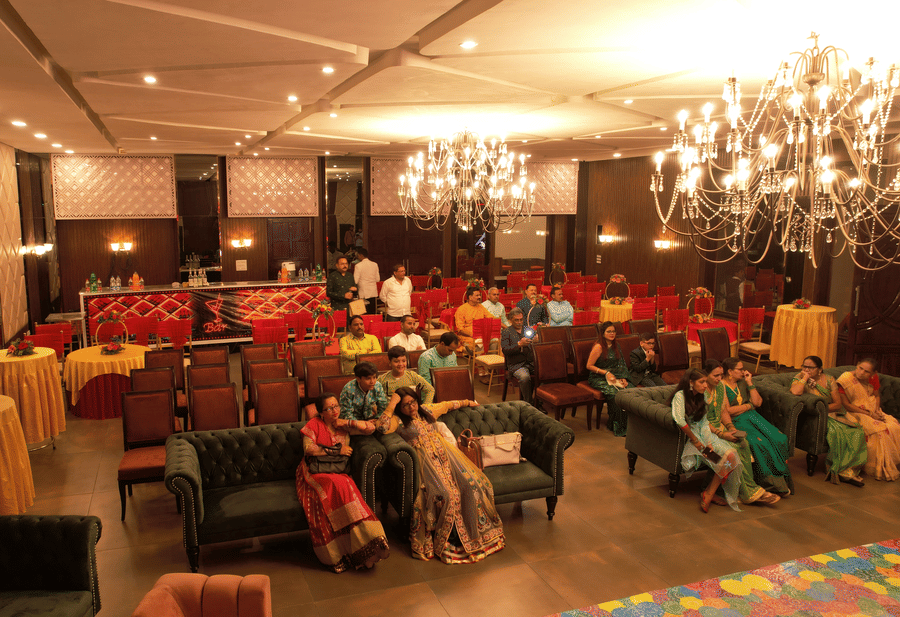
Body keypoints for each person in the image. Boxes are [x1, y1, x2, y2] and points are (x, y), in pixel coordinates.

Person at [386, 386, 505, 563]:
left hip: (448, 458)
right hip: (426, 466)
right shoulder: (397, 421)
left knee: (472, 485)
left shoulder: (426, 410)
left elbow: (448, 405)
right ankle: (452, 540)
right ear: (399, 408)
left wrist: (468, 402)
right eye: (405, 405)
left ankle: (474, 535)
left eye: (413, 402)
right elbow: (382, 427)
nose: (411, 407)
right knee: (447, 495)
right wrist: (392, 404)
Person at [295, 392, 389, 572]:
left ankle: (366, 545)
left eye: (336, 406)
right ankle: (338, 553)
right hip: (314, 471)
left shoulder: (343, 425)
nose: (334, 410)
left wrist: (346, 422)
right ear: (321, 412)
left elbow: (370, 428)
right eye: (329, 408)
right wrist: (337, 451)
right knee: (338, 484)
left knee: (347, 485)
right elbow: (309, 450)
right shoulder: (313, 424)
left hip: (337, 471)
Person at [704, 359, 780, 505]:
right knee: (733, 452)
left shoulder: (719, 388)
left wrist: (731, 428)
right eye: (716, 375)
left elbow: (723, 411)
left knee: (743, 443)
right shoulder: (699, 391)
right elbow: (699, 422)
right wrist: (721, 434)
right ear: (705, 375)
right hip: (705, 435)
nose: (720, 378)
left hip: (720, 429)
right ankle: (747, 492)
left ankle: (743, 490)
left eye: (721, 375)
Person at [669, 369, 742, 512]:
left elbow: (704, 423)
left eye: (705, 382)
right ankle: (709, 494)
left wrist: (709, 442)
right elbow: (680, 420)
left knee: (731, 456)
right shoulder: (680, 396)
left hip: (704, 436)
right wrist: (696, 441)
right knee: (720, 460)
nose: (705, 385)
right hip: (692, 439)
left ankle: (709, 491)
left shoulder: (702, 396)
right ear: (691, 382)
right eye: (701, 382)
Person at [790, 355, 867, 486]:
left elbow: (837, 404)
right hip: (815, 417)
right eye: (804, 367)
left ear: (820, 369)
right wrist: (805, 378)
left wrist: (823, 409)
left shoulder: (829, 379)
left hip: (833, 413)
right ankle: (837, 469)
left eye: (811, 368)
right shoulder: (799, 377)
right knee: (837, 432)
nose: (806, 369)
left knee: (857, 432)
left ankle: (847, 470)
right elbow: (796, 392)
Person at [721, 357, 792, 495]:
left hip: (753, 417)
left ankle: (783, 478)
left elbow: (758, 402)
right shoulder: (721, 386)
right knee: (760, 443)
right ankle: (769, 482)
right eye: (740, 369)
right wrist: (749, 405)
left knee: (780, 438)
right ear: (730, 371)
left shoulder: (743, 382)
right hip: (737, 421)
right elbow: (728, 411)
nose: (744, 371)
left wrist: (750, 382)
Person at [836, 358, 900, 481]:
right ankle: (877, 467)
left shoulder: (873, 378)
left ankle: (890, 463)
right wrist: (870, 414)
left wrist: (876, 411)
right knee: (879, 431)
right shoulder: (845, 379)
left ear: (873, 373)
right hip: (854, 412)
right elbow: (846, 405)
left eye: (866, 371)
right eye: (860, 368)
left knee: (894, 426)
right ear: (857, 365)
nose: (861, 373)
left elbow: (876, 396)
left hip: (872, 410)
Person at [586, 321, 634, 436]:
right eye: (609, 331)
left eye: (613, 331)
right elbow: (589, 366)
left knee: (630, 390)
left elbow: (621, 364)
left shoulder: (616, 345)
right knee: (615, 394)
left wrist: (622, 377)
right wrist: (606, 373)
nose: (612, 334)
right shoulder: (598, 347)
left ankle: (631, 426)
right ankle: (617, 425)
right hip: (598, 377)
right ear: (603, 333)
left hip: (614, 376)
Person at [378, 346, 435, 431]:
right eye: (396, 361)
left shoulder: (412, 376)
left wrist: (425, 407)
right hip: (395, 417)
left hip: (411, 414)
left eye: (403, 361)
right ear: (390, 363)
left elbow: (430, 390)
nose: (401, 364)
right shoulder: (382, 380)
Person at [500, 307, 534, 404]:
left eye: (521, 320)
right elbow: (505, 350)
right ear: (510, 320)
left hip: (531, 362)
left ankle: (537, 401)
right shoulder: (506, 332)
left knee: (546, 373)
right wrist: (519, 345)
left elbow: (535, 344)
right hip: (516, 364)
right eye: (516, 320)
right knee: (525, 378)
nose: (519, 322)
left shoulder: (527, 329)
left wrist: (536, 340)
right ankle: (528, 403)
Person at [455, 288, 494, 352]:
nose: (479, 297)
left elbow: (491, 318)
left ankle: (491, 358)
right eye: (477, 295)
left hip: (481, 334)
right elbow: (460, 329)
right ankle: (474, 354)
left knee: (495, 340)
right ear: (470, 297)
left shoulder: (480, 307)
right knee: (480, 343)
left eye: (480, 295)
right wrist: (473, 335)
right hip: (469, 336)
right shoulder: (461, 309)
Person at [353, 247, 379, 315]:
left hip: (363, 293)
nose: (357, 257)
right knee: (372, 314)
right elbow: (377, 279)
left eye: (358, 255)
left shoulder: (358, 266)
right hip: (373, 292)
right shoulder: (375, 264)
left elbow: (355, 281)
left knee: (363, 314)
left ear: (361, 255)